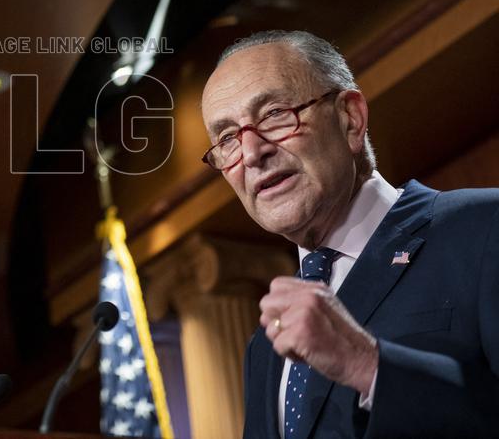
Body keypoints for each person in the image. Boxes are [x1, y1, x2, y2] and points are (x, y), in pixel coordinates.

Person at [198, 30, 499, 438]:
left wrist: (367, 365)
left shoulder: (482, 228)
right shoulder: (266, 348)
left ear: (350, 120)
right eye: (228, 138)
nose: (252, 154)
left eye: (274, 114)